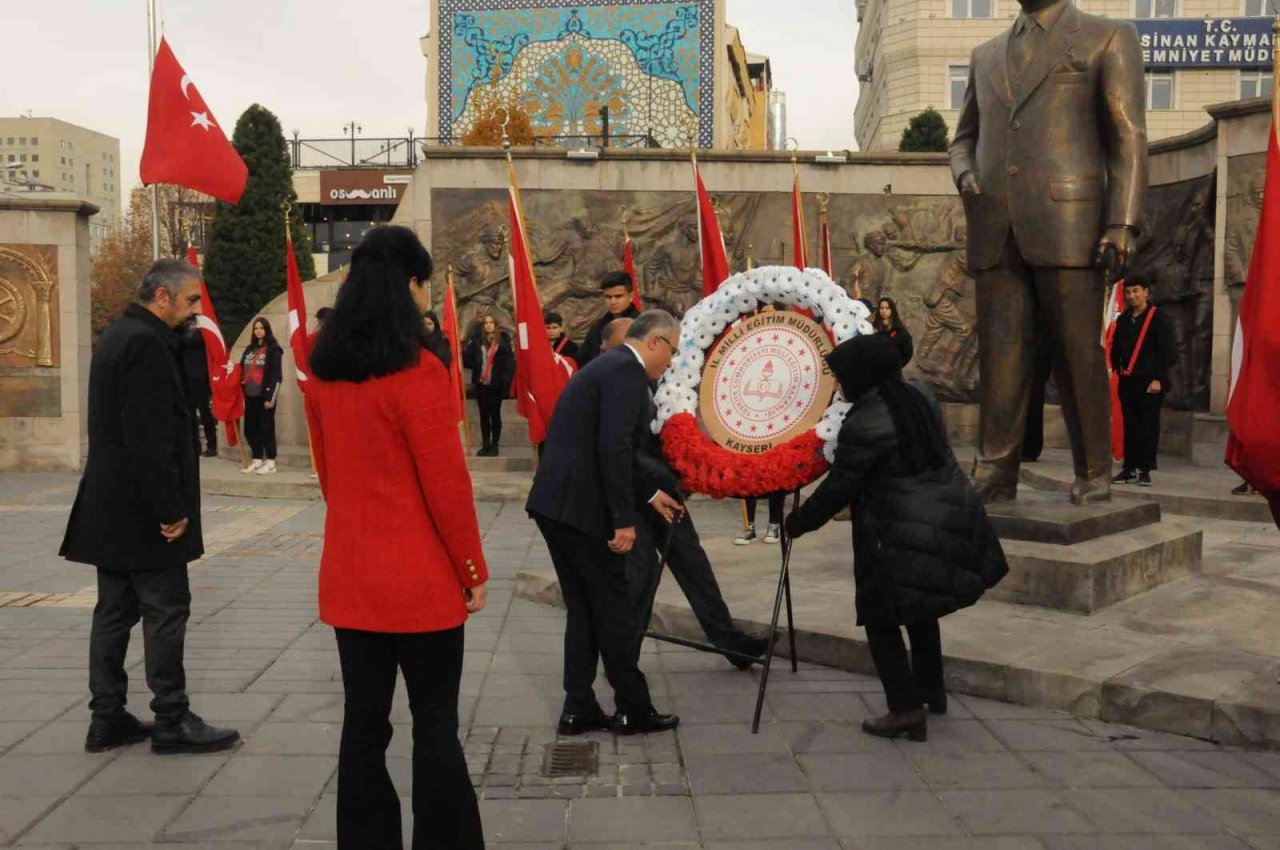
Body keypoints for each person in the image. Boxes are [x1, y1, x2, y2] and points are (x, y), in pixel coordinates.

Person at [307, 225, 487, 850]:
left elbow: (328, 472)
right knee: (434, 723)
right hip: (421, 581)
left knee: (363, 725)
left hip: (352, 576)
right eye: (422, 287)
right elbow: (446, 485)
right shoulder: (419, 370)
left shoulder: (324, 368)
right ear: (410, 283)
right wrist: (471, 567)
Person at [784, 334, 1008, 742]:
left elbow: (840, 489)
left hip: (894, 531)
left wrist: (797, 522)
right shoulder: (917, 396)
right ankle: (930, 689)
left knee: (881, 618)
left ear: (862, 376)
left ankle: (904, 709)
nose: (837, 385)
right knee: (921, 609)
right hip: (939, 520)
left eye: (840, 377)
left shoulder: (866, 422)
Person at [60, 258, 241, 755]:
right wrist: (170, 509)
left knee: (114, 612)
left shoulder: (124, 335)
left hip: (112, 507)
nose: (195, 312)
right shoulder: (144, 345)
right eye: (189, 302)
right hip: (145, 512)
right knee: (166, 610)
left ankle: (108, 717)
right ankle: (171, 718)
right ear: (161, 297)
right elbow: (150, 437)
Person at [526, 310, 684, 736]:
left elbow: (608, 445)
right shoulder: (626, 372)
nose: (671, 361)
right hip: (581, 509)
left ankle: (578, 706)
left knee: (584, 608)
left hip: (556, 505)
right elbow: (613, 447)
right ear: (654, 342)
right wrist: (624, 521)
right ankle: (633, 708)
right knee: (613, 608)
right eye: (673, 351)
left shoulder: (607, 367)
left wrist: (650, 496)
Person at [599, 319, 770, 670]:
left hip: (665, 492)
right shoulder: (610, 381)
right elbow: (618, 450)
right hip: (635, 497)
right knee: (642, 577)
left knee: (693, 563)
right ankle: (624, 662)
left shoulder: (657, 381)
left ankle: (732, 643)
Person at [1110, 279, 1175, 487]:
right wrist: (1115, 367)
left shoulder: (1159, 318)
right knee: (1130, 425)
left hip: (1150, 382)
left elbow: (1168, 352)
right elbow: (1116, 347)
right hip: (1127, 381)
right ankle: (1129, 468)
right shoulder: (1124, 319)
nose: (1131, 296)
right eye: (1128, 292)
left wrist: (1158, 378)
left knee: (1148, 426)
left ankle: (1145, 469)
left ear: (1146, 292)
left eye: (1136, 291)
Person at [462, 315, 514, 457]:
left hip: (496, 384)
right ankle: (486, 444)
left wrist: (506, 381)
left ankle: (494, 444)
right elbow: (467, 361)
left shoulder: (502, 341)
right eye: (486, 323)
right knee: (484, 415)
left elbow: (509, 362)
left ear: (495, 325)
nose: (489, 325)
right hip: (481, 384)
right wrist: (462, 347)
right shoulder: (477, 342)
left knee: (495, 415)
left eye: (491, 322)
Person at [239, 317, 283, 475]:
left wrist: (270, 398)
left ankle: (271, 462)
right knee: (250, 429)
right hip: (249, 395)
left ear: (267, 330)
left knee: (266, 429)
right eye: (256, 328)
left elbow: (276, 375)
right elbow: (241, 368)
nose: (258, 331)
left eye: (261, 328)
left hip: (264, 397)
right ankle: (257, 459)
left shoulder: (273, 349)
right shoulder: (250, 349)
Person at [574, 271, 641, 367]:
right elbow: (582, 360)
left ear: (631, 296)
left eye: (618, 296)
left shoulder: (642, 326)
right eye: (608, 297)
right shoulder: (597, 328)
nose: (613, 301)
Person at [181, 325, 217, 458]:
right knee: (189, 414)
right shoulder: (182, 328)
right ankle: (194, 445)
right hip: (185, 376)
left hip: (201, 375)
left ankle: (211, 444)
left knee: (204, 412)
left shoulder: (203, 326)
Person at [874, 297, 914, 366]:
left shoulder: (899, 330)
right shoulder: (872, 326)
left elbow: (907, 353)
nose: (884, 311)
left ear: (892, 310)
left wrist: (895, 366)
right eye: (881, 308)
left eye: (887, 308)